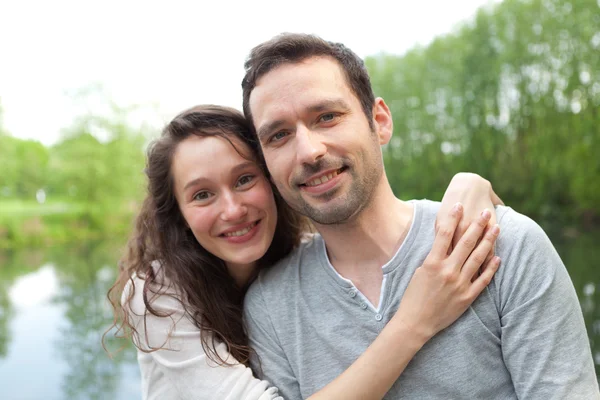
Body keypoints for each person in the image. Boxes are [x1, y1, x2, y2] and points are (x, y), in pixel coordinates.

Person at [241, 33, 599, 399]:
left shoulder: (504, 243)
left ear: (379, 121)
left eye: (327, 116)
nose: (309, 151)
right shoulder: (270, 307)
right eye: (279, 135)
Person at [105, 104, 503, 399]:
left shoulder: (306, 257)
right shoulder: (156, 295)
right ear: (179, 214)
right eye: (203, 194)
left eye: (244, 179)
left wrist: (470, 186)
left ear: (275, 178)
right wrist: (415, 320)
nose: (232, 210)